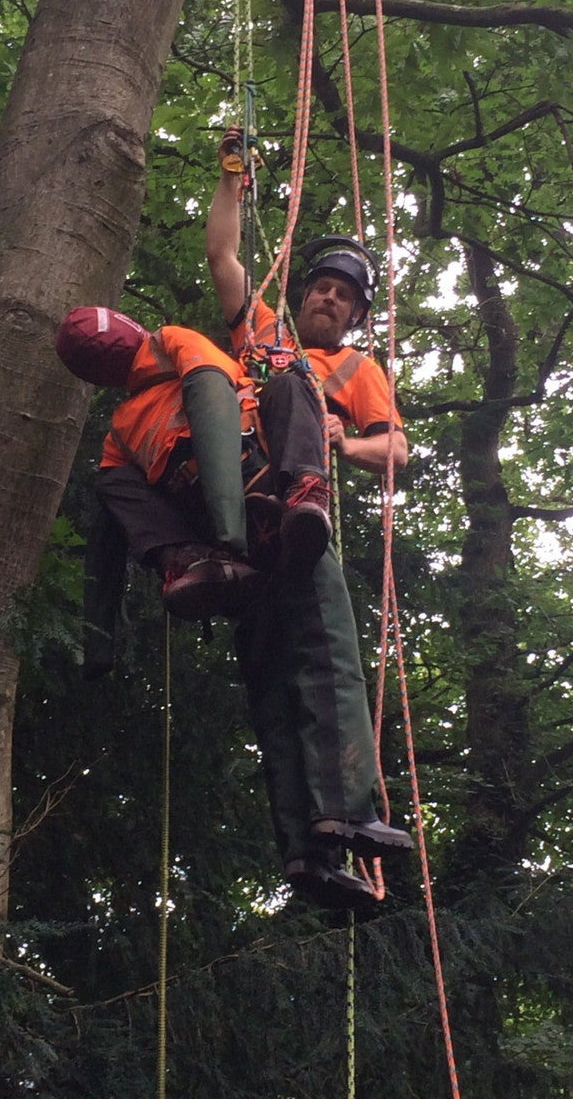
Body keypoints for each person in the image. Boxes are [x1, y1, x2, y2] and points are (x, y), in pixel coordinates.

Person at [201, 126, 413, 909]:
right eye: (320, 286)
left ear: (356, 314)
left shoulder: (358, 370)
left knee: (302, 675)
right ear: (303, 293)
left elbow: (396, 450)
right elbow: (225, 257)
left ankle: (324, 833)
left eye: (344, 295)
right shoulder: (266, 337)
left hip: (300, 517)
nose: (328, 297)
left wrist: (342, 440)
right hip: (243, 513)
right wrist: (232, 178)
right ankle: (325, 831)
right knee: (301, 674)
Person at [56, 306, 265, 621]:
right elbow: (114, 515)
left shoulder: (168, 343)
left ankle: (207, 555)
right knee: (112, 482)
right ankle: (191, 559)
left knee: (112, 482)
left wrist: (229, 531)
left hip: (245, 464)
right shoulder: (121, 430)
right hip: (209, 505)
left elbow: (209, 390)